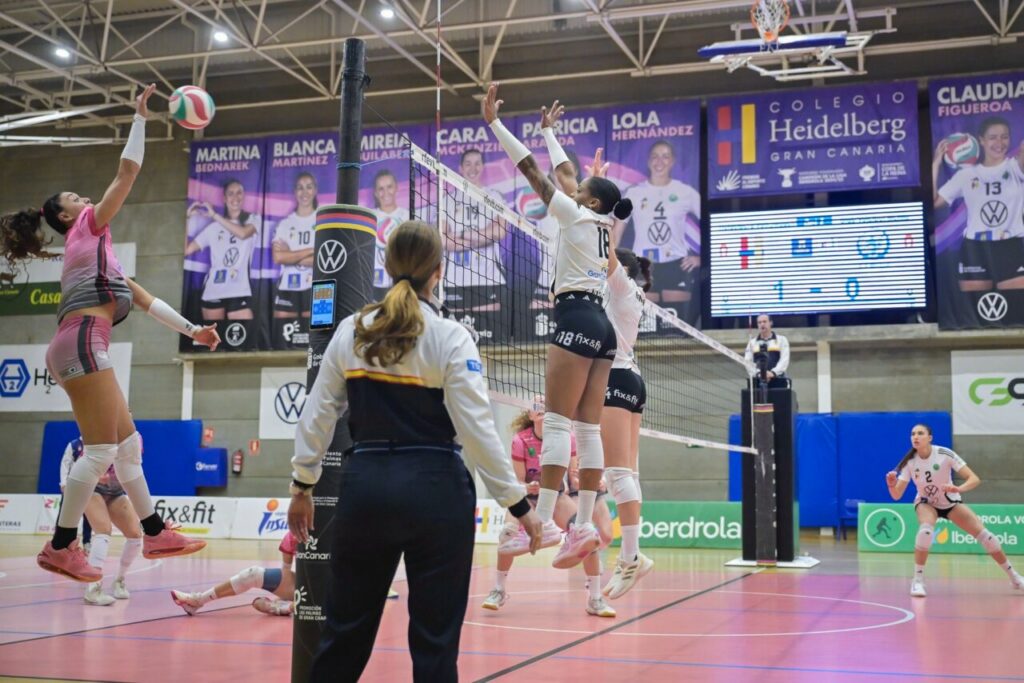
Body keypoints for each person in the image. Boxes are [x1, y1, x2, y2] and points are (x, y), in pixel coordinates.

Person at [287, 219, 543, 682]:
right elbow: (479, 431)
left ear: (384, 267)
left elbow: (317, 415)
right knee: (435, 643)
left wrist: (302, 484)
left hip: (366, 488)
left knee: (343, 634)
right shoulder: (450, 336)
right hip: (436, 491)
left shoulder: (352, 330)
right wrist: (519, 505)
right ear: (439, 271)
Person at [0, 85, 217, 582]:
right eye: (76, 198)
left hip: (83, 341)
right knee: (100, 451)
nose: (87, 199)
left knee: (128, 447)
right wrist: (140, 120)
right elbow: (126, 174)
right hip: (79, 340)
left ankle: (156, 531)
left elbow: (143, 300)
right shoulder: (86, 229)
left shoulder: (104, 256)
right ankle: (60, 545)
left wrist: (194, 331)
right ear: (66, 216)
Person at [485, 84, 631, 569]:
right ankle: (584, 525)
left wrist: (496, 124)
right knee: (587, 431)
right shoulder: (600, 225)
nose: (570, 186)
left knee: (558, 425)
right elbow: (566, 172)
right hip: (604, 327)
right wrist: (550, 132)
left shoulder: (572, 214)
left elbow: (533, 172)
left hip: (574, 317)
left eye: (581, 190)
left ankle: (546, 520)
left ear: (588, 201)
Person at [486, 397, 616, 617]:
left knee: (586, 533)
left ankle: (595, 598)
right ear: (530, 414)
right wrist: (528, 487)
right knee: (507, 534)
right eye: (536, 405)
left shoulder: (567, 438)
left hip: (556, 496)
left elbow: (574, 478)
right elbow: (518, 480)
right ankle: (498, 590)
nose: (542, 407)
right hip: (528, 498)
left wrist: (590, 481)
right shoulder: (521, 440)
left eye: (546, 403)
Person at [885, 424, 1023, 597]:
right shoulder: (909, 463)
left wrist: (959, 489)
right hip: (926, 502)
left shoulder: (944, 454)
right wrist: (891, 485)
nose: (915, 437)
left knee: (987, 537)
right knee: (926, 530)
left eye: (920, 433)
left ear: (930, 437)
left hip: (950, 501)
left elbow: (974, 479)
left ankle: (1015, 578)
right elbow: (896, 495)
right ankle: (917, 581)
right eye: (912, 434)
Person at [600, 246, 655, 599]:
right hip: (631, 377)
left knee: (618, 475)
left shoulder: (620, 285)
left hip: (616, 377)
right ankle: (632, 555)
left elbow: (602, 251)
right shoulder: (629, 292)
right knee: (627, 474)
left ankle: (630, 557)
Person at [933, 117, 1024, 293]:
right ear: (981, 140)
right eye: (993, 137)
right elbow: (935, 202)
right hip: (975, 248)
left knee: (1017, 310)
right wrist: (936, 163)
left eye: (1004, 137)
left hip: (1012, 245)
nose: (999, 142)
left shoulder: (1015, 167)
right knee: (975, 311)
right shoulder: (966, 175)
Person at [615, 140, 702, 323]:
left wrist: (701, 257)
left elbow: (710, 223)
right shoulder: (634, 193)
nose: (659, 161)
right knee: (646, 328)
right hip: (644, 265)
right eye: (655, 156)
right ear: (648, 161)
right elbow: (617, 231)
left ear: (673, 161)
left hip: (676, 265)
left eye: (665, 156)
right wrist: (614, 263)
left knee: (677, 330)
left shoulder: (685, 192)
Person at [59, 435, 142, 606]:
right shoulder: (90, 438)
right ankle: (93, 588)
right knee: (103, 530)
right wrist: (66, 484)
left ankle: (119, 580)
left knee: (135, 535)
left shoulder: (135, 438)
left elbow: (134, 468)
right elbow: (76, 466)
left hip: (116, 491)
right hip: (91, 486)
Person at [441, 148, 507, 327]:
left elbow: (499, 232)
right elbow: (442, 239)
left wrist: (461, 235)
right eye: (468, 164)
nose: (473, 168)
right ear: (461, 168)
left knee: (494, 344)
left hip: (490, 279)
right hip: (455, 280)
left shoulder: (494, 197)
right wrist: (482, 236)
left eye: (477, 163)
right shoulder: (448, 200)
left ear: (483, 166)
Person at [184, 178, 261, 323]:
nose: (235, 197)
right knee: (214, 340)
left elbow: (243, 234)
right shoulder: (214, 227)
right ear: (224, 199)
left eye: (239, 193)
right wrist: (187, 218)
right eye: (230, 194)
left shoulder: (253, 219)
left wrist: (214, 216)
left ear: (244, 196)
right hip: (214, 290)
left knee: (242, 340)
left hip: (240, 290)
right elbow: (187, 250)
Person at [171, 532, 298, 617]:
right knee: (253, 574)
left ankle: (283, 608)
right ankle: (198, 601)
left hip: (318, 592)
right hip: (303, 585)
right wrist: (284, 595)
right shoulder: (294, 532)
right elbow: (285, 572)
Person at [271, 172, 316, 346]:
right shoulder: (285, 224)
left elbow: (323, 260)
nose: (304, 192)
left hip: (315, 288)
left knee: (313, 346)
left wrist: (291, 255)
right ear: (294, 192)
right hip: (287, 288)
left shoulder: (322, 221)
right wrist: (311, 250)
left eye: (309, 186)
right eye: (300, 187)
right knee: (281, 345)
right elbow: (278, 257)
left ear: (315, 190)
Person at [372, 169, 411, 298]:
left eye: (389, 187)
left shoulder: (408, 216)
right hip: (374, 282)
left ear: (396, 188)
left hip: (401, 280)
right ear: (376, 193)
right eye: (381, 189)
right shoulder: (370, 217)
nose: (386, 193)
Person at [743, 314, 790, 389]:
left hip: (778, 381)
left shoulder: (782, 340)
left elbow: (784, 360)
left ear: (771, 323)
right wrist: (759, 374)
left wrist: (773, 373)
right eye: (759, 322)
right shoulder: (752, 343)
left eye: (764, 321)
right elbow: (748, 362)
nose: (762, 324)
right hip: (758, 382)